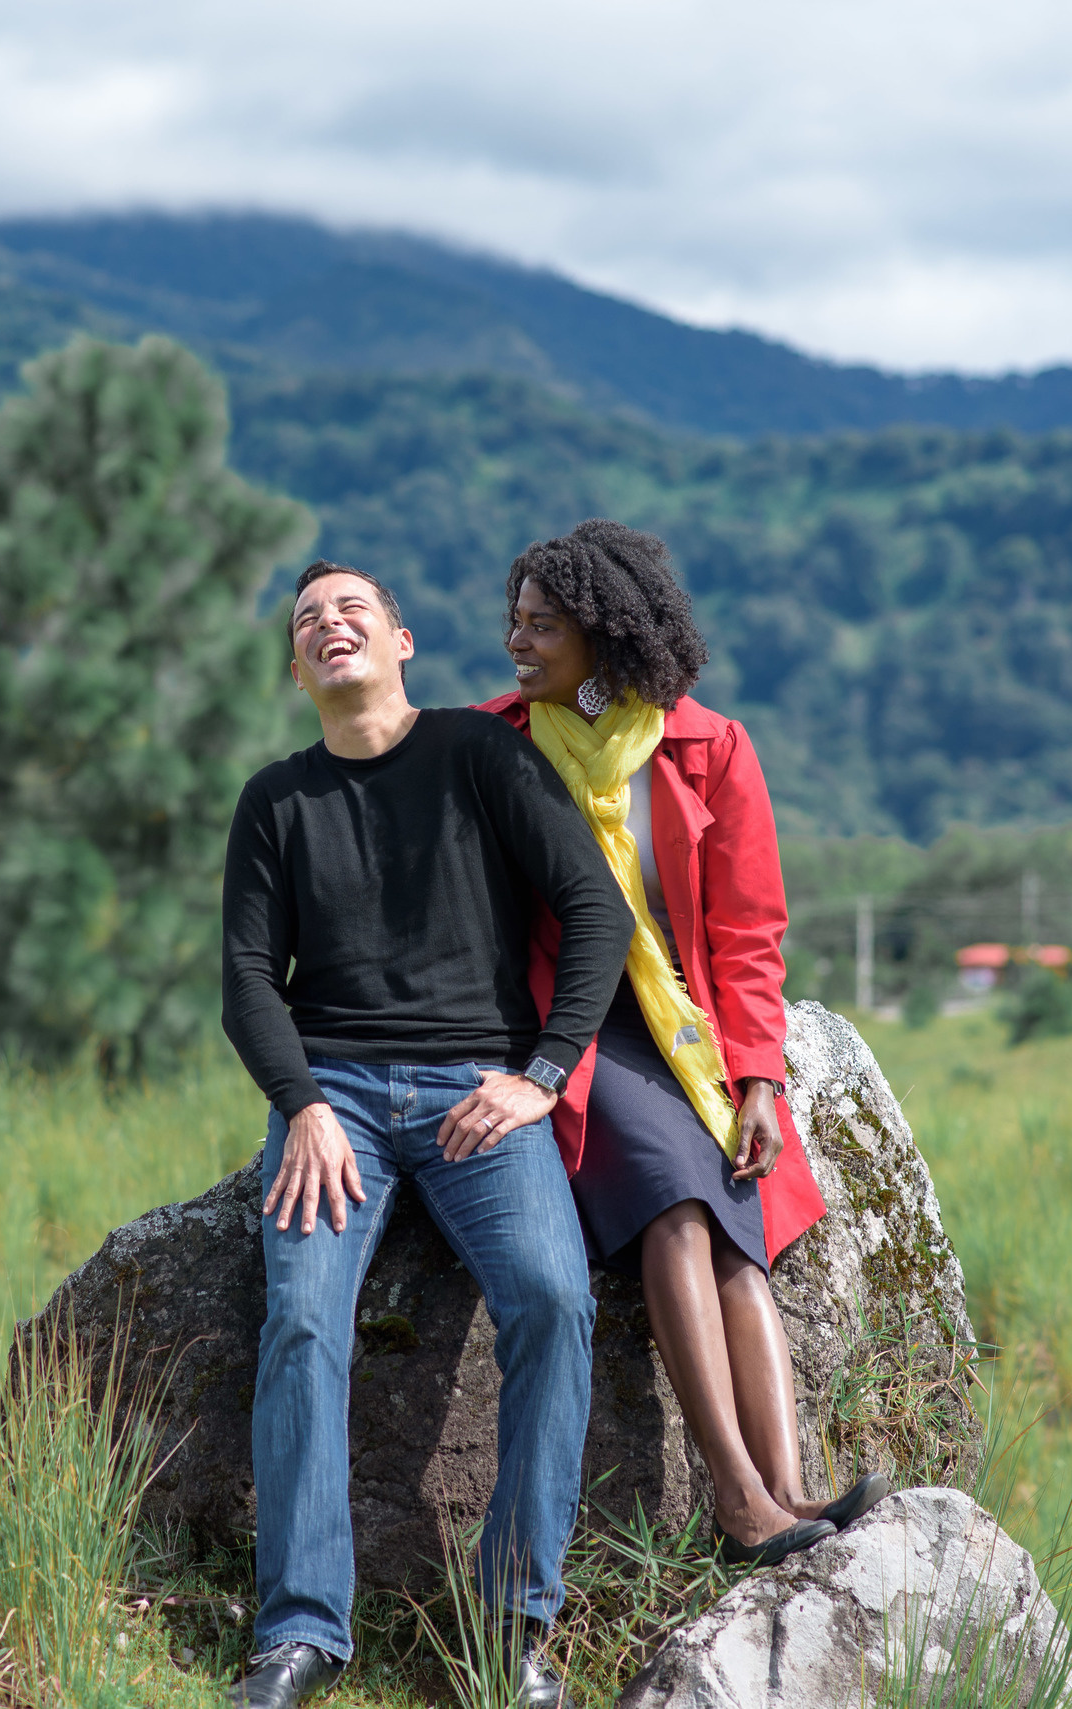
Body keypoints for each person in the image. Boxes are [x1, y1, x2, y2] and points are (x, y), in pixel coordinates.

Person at [219, 560, 633, 1709]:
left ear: (401, 641)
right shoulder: (275, 799)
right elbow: (247, 978)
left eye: (353, 608)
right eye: (308, 619)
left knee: (551, 1297)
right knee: (303, 1318)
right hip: (335, 1099)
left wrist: (543, 1074)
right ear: (295, 667)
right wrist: (302, 1102)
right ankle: (300, 1632)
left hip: (475, 1091)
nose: (330, 623)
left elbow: (595, 909)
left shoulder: (478, 752)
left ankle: (510, 1627)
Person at [477, 519, 893, 1566]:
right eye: (515, 621)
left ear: (604, 634)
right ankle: (737, 1501)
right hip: (577, 1027)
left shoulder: (708, 749)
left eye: (543, 625)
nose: (517, 642)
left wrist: (757, 1079)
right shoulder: (494, 745)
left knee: (738, 1233)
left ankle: (786, 1487)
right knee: (675, 1202)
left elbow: (749, 934)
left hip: (686, 1028)